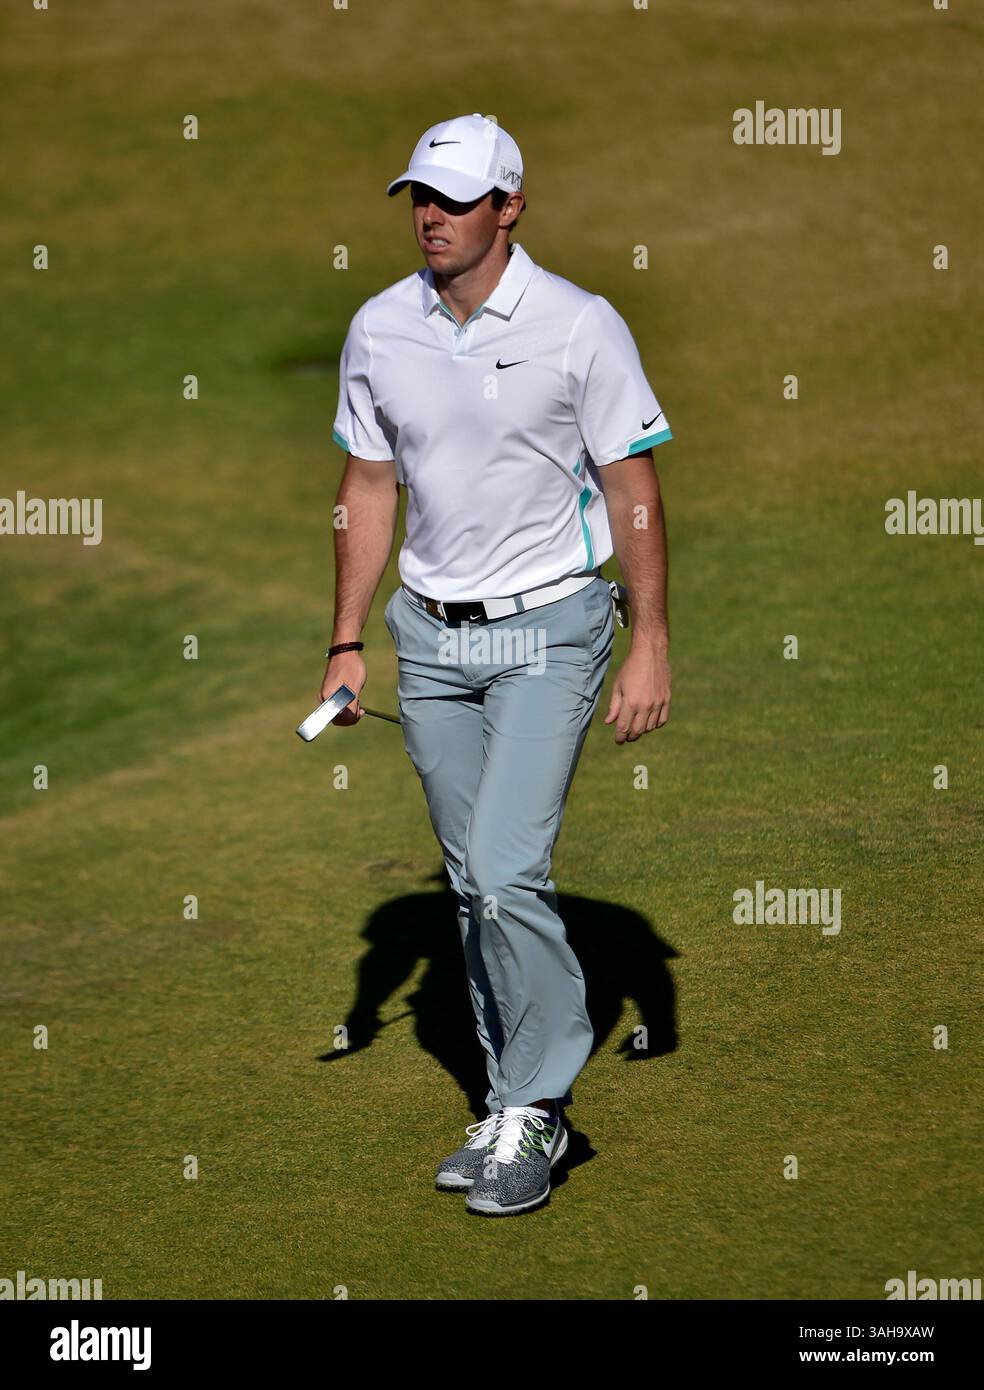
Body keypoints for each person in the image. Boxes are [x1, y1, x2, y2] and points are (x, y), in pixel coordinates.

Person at [323, 113, 673, 1216]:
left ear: (510, 208)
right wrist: (344, 640)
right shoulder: (381, 327)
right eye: (418, 196)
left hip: (552, 628)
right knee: (472, 879)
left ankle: (538, 1103)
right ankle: (509, 1098)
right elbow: (369, 488)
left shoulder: (581, 327)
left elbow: (633, 488)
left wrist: (652, 638)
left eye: (455, 199)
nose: (429, 215)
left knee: (507, 866)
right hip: (428, 637)